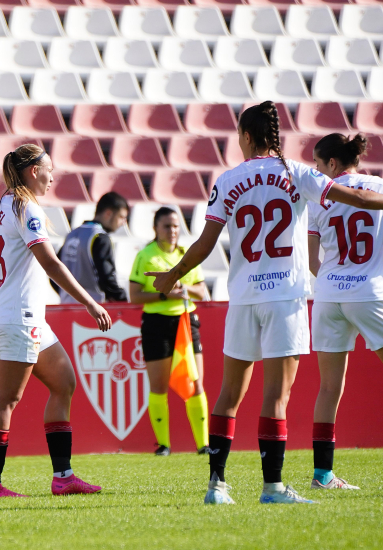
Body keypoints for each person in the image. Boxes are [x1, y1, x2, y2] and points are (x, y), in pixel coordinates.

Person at [146, 101, 383, 505]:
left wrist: (172, 275)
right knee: (276, 395)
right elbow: (354, 198)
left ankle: (216, 486)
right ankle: (273, 487)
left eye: (239, 135)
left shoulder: (228, 179)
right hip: (285, 296)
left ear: (248, 137)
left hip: (243, 296)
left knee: (228, 393)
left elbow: (205, 243)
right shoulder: (299, 173)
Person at [0, 144, 111, 498]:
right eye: (49, 169)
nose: (53, 176)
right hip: (18, 316)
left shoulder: (6, 204)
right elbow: (50, 263)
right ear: (33, 171)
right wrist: (89, 302)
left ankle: (63, 477)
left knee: (64, 382)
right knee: (6, 399)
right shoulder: (25, 206)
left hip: (25, 315)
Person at [307, 133, 383, 491]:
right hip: (369, 291)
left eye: (318, 165)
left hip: (327, 294)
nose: (316, 170)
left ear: (332, 165)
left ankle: (322, 475)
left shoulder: (318, 197)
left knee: (328, 388)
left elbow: (312, 261)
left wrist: (334, 277)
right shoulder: (378, 187)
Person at [128, 207, 209, 456]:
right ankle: (163, 445)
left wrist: (182, 285)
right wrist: (164, 292)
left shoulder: (188, 256)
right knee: (159, 385)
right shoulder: (146, 256)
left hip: (186, 321)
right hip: (157, 322)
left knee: (195, 383)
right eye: (167, 226)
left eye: (176, 226)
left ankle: (203, 445)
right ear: (156, 229)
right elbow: (134, 296)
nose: (172, 231)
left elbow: (203, 292)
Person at [58, 192, 129, 304]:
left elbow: (55, 273)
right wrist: (123, 299)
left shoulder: (72, 235)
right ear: (108, 213)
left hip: (67, 306)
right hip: (93, 308)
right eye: (121, 217)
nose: (123, 223)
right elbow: (106, 278)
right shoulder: (100, 237)